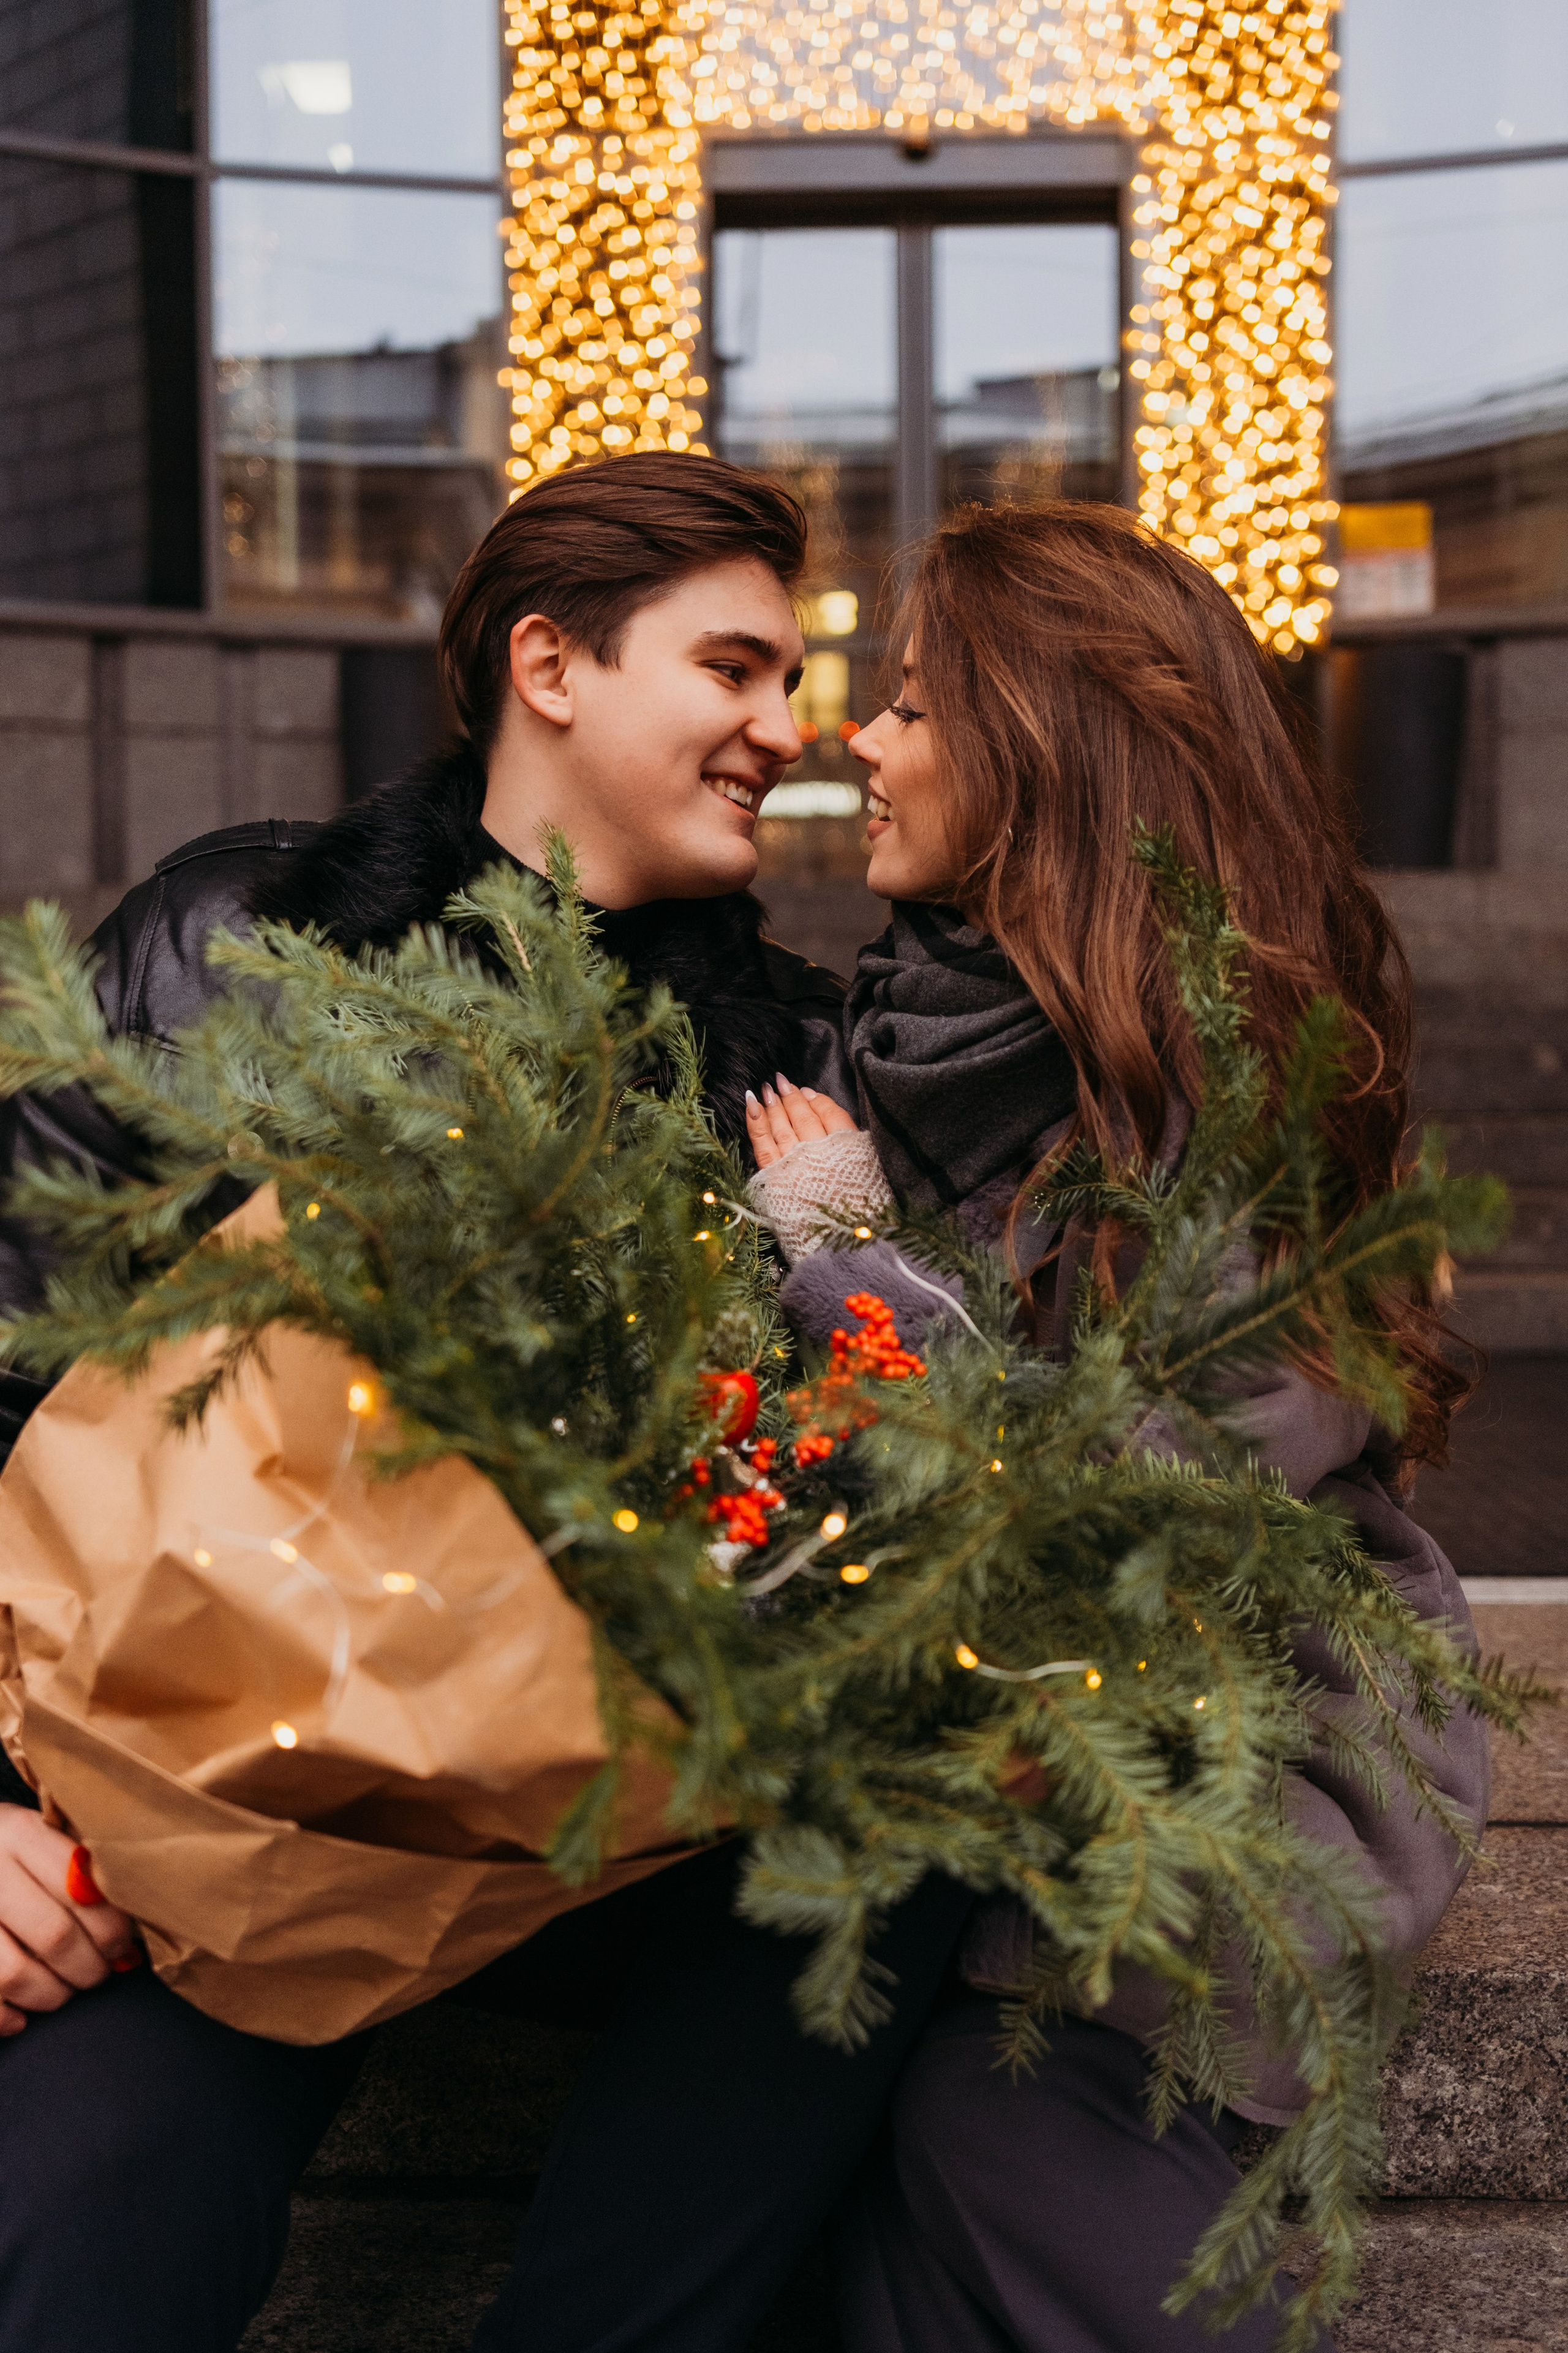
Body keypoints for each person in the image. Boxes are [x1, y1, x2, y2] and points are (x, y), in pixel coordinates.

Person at [0, 453, 971, 2353]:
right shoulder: (232, 949)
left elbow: (846, 1500)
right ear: (551, 664)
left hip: (582, 1847)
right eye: (738, 669)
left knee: (913, 1782)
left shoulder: (773, 1065)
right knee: (93, 2210)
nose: (794, 729)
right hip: (194, 1819)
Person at [745, 498, 1489, 2353]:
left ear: (1041, 753)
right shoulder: (878, 1047)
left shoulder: (1240, 1096)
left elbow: (1112, 1509)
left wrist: (850, 1268)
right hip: (881, 1849)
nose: (861, 737)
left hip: (1159, 1898)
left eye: (914, 706)